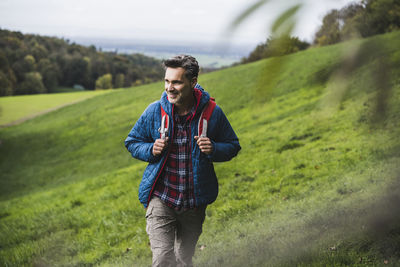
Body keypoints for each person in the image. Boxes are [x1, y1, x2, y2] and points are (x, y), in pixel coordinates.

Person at [125, 55, 241, 267]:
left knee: (183, 259)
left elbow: (233, 145)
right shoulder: (154, 111)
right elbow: (132, 142)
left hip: (193, 204)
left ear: (193, 82)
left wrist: (214, 148)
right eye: (167, 81)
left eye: (176, 82)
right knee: (162, 259)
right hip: (161, 198)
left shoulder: (212, 113)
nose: (170, 87)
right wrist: (151, 149)